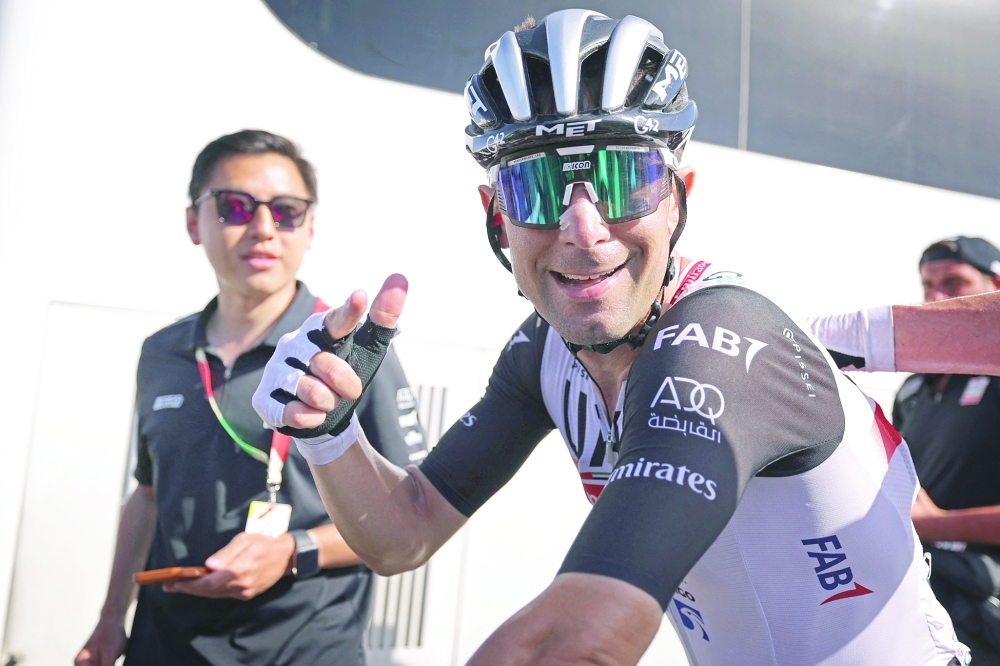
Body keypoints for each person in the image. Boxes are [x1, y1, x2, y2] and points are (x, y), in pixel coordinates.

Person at [252, 10, 967, 666]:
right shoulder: (542, 353)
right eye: (536, 188)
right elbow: (402, 534)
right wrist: (330, 433)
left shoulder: (719, 340)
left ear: (678, 196)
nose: (585, 233)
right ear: (495, 215)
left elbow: (580, 642)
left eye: (624, 179)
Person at [75, 130, 426, 666]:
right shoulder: (162, 353)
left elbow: (414, 514)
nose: (263, 228)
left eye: (285, 211)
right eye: (236, 206)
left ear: (310, 228)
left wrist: (291, 551)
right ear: (194, 223)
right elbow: (146, 495)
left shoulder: (350, 352)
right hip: (165, 644)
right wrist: (107, 619)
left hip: (303, 650)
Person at [892, 237, 1000, 664]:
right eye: (927, 285)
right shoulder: (915, 384)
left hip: (981, 612)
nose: (936, 298)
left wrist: (935, 525)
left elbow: (922, 519)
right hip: (912, 602)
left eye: (954, 283)